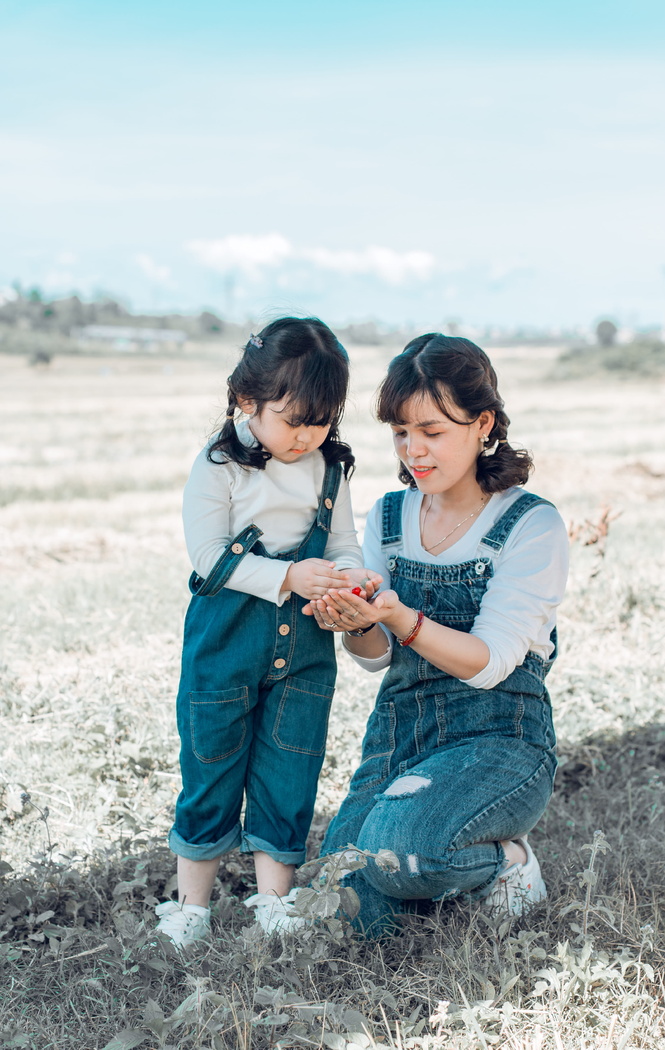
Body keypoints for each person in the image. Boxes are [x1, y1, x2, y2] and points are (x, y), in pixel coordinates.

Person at [306, 333, 569, 935]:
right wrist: (357, 622)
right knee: (342, 903)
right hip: (400, 732)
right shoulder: (391, 517)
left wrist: (401, 618)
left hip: (500, 738)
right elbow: (374, 659)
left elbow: (491, 662)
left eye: (432, 431)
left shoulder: (531, 524)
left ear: (483, 424)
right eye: (400, 431)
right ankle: (440, 860)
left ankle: (507, 860)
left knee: (405, 858)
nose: (413, 450)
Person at [156, 317, 381, 946]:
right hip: (225, 643)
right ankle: (191, 910)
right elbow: (208, 558)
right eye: (292, 419)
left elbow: (341, 546)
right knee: (211, 767)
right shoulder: (220, 465)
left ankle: (274, 906)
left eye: (322, 420)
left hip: (306, 649)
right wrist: (288, 577)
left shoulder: (327, 467)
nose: (306, 435)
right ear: (246, 401)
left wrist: (350, 578)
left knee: (291, 769)